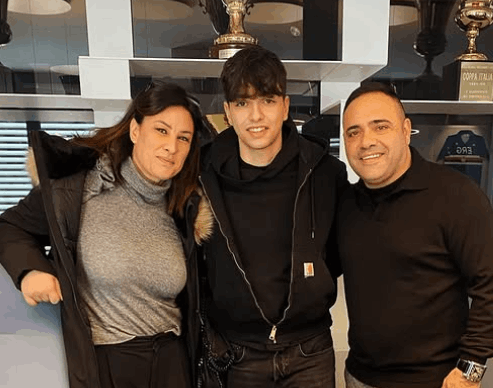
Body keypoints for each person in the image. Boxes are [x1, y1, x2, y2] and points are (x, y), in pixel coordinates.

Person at [0, 81, 214, 388]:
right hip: (108, 364)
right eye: (161, 130)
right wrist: (31, 271)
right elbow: (9, 227)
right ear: (135, 131)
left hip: (172, 364)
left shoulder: (185, 208)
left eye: (184, 138)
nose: (172, 147)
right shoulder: (79, 189)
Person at [198, 46, 348, 387]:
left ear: (284, 107)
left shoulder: (325, 173)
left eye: (267, 100)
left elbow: (338, 255)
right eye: (242, 103)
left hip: (310, 351)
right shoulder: (202, 176)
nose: (255, 116)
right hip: (235, 353)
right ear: (228, 112)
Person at [337, 82, 493, 388]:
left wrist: (471, 368)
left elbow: (490, 285)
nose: (366, 141)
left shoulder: (456, 195)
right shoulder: (346, 204)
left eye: (380, 126)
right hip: (359, 377)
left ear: (406, 130)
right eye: (353, 132)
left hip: (437, 381)